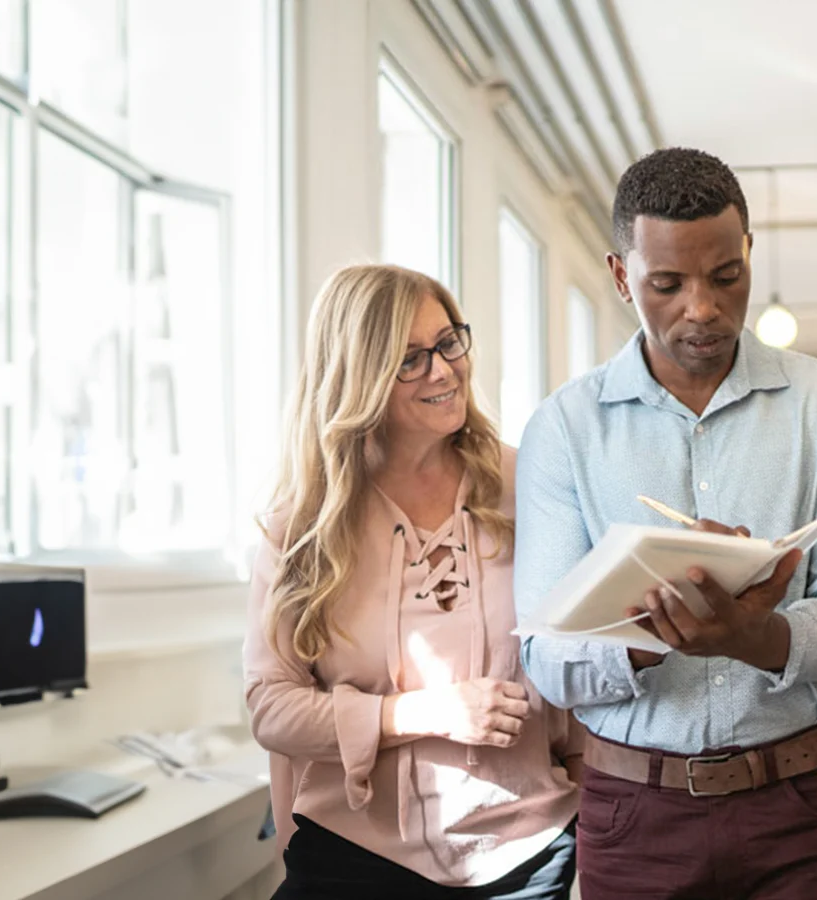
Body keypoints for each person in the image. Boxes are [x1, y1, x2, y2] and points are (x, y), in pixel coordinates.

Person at [514, 147, 817, 900]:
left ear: (749, 254)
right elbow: (544, 657)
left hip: (804, 806)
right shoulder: (564, 429)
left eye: (727, 277)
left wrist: (755, 636)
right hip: (636, 815)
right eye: (667, 284)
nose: (703, 309)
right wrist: (653, 640)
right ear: (622, 277)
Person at [243, 265, 581, 900]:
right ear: (359, 376)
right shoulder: (301, 524)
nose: (445, 369)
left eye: (450, 341)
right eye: (411, 359)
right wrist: (423, 713)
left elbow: (578, 656)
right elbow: (271, 706)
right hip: (353, 855)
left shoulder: (532, 484)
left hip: (524, 853)